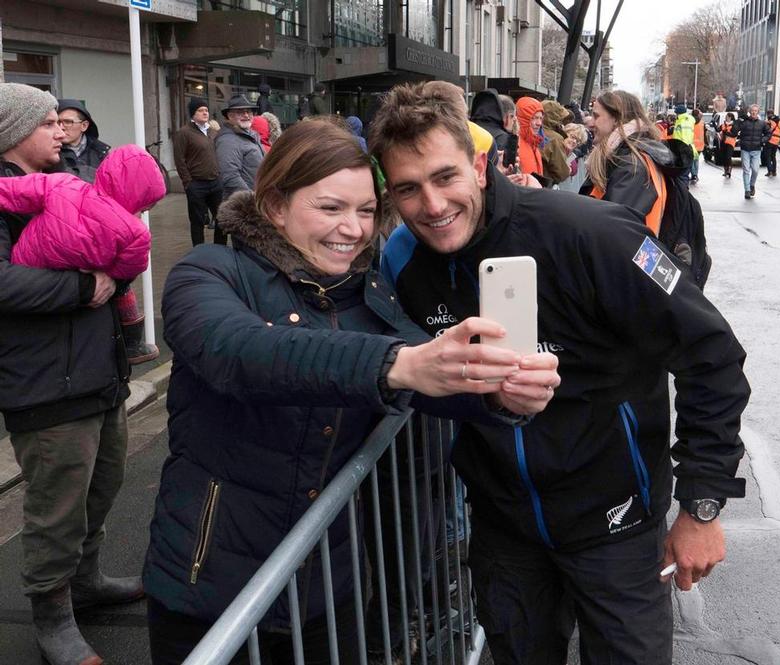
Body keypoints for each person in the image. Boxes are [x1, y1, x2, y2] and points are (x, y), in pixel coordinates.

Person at [143, 118, 559, 664]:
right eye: (331, 207)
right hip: (205, 581)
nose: (354, 229)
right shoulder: (209, 272)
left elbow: (428, 375)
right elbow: (237, 352)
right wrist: (397, 363)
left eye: (366, 211)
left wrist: (498, 393)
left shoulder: (368, 293)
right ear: (274, 205)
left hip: (326, 588)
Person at [372, 81, 749, 665]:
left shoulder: (592, 233)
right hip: (505, 530)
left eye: (444, 177)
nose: (433, 205)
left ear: (478, 164)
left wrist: (702, 505)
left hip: (616, 525)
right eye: (408, 189)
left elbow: (713, 353)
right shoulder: (403, 259)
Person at [0, 81, 142, 665]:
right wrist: (86, 285)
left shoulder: (69, 183)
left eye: (62, 122)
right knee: (57, 507)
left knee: (102, 487)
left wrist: (121, 263)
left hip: (97, 372)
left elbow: (108, 253)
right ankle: (52, 614)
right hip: (44, 382)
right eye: (47, 124)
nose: (62, 131)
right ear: (13, 134)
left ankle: (85, 581)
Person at [0, 143, 164, 364]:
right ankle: (132, 342)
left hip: (24, 264)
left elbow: (14, 192)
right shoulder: (137, 234)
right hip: (78, 305)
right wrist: (104, 273)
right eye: (143, 210)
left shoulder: (63, 183)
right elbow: (127, 271)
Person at [580, 89, 675, 233]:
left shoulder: (633, 166)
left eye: (596, 116)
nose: (591, 123)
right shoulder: (626, 159)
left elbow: (611, 231)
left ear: (617, 119)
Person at [173, 97, 224, 246]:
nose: (205, 113)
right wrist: (188, 183)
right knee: (197, 221)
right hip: (196, 183)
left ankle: (220, 249)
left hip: (215, 182)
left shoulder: (213, 132)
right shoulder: (184, 133)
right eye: (200, 110)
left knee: (221, 218)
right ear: (193, 114)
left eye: (206, 110)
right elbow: (179, 159)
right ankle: (199, 251)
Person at [215, 95, 264, 201]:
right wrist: (251, 199)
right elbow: (230, 176)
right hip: (244, 204)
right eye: (240, 112)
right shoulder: (227, 141)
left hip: (259, 196)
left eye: (249, 112)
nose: (246, 115)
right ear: (230, 116)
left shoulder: (251, 134)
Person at [57, 99, 110, 182]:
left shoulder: (102, 154)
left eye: (68, 122)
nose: (61, 127)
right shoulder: (49, 152)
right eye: (57, 122)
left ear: (84, 126)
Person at [469, 88, 517, 170]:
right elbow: (508, 170)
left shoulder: (466, 130)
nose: (514, 120)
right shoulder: (504, 137)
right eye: (512, 116)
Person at [736, 103, 770, 199]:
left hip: (756, 149)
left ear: (758, 112)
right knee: (746, 170)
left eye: (755, 111)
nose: (754, 112)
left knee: (755, 170)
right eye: (752, 111)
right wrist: (739, 120)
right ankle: (747, 190)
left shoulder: (762, 123)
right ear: (750, 112)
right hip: (745, 149)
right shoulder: (744, 122)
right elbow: (736, 129)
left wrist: (762, 141)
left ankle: (752, 185)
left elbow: (768, 133)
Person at [541, 99, 572, 185]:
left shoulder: (532, 131)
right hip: (544, 184)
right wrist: (568, 170)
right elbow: (561, 172)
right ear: (554, 118)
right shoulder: (555, 139)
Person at [515, 96, 546, 181]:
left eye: (540, 118)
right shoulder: (514, 144)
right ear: (523, 119)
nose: (539, 123)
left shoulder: (534, 143)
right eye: (534, 118)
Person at [717, 112, 737, 177]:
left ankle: (729, 171)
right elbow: (718, 130)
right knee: (724, 157)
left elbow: (734, 134)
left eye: (727, 116)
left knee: (728, 157)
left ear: (730, 117)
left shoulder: (734, 125)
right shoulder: (723, 125)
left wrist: (726, 132)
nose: (726, 117)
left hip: (730, 143)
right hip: (723, 142)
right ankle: (725, 171)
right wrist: (714, 125)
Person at [690, 108, 705, 182]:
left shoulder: (690, 122)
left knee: (691, 160)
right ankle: (695, 174)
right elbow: (705, 133)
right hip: (700, 144)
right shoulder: (702, 122)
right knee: (696, 160)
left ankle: (693, 174)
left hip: (692, 143)